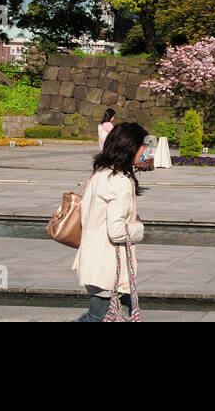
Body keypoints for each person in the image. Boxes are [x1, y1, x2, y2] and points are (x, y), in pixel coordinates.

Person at [73, 121, 147, 322]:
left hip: (95, 259)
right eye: (142, 145)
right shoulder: (119, 181)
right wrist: (138, 229)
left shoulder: (101, 173)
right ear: (130, 147)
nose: (145, 150)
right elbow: (116, 231)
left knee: (108, 315)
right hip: (107, 267)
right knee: (98, 318)